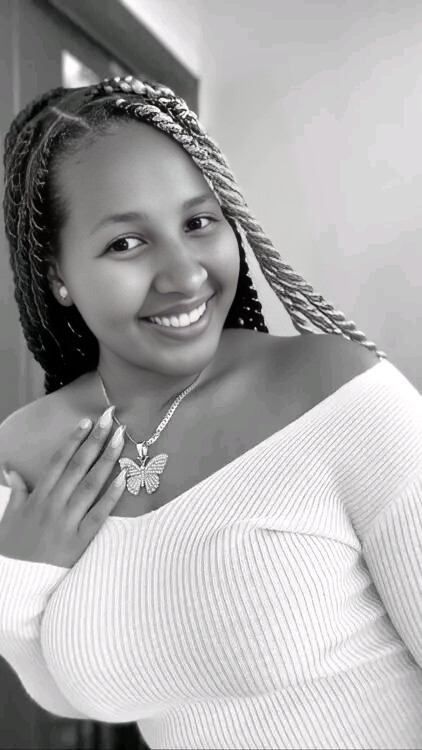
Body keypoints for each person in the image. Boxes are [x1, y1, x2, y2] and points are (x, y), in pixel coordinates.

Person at [0, 75, 421, 750]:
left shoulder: (340, 395)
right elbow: (65, 692)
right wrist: (18, 569)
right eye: (125, 243)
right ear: (57, 274)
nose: (186, 275)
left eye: (198, 223)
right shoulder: (26, 450)